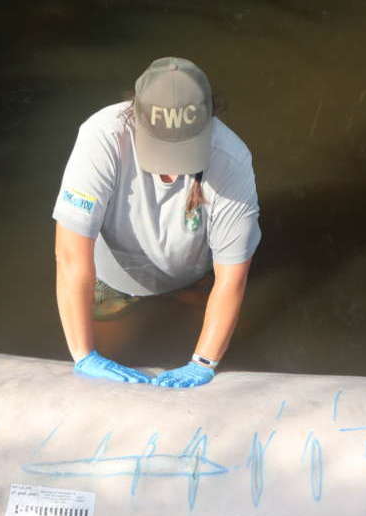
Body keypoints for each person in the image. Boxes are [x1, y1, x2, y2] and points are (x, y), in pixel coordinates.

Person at [52, 57, 261, 388]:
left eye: (185, 149)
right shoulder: (102, 137)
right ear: (134, 115)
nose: (173, 170)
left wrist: (204, 362)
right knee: (100, 380)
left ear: (211, 120)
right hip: (113, 281)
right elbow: (70, 256)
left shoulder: (232, 159)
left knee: (227, 356)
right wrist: (84, 355)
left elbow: (232, 275)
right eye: (163, 148)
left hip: (194, 278)